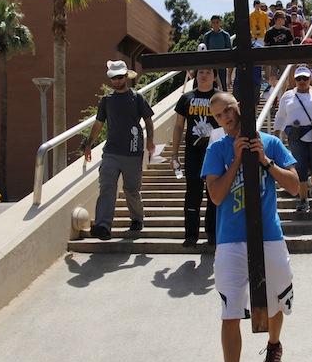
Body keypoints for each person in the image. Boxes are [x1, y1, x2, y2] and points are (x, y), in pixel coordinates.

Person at [202, 92, 299, 362]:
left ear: (239, 107)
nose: (224, 118)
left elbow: (295, 186)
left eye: (228, 110)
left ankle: (273, 345)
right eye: (217, 116)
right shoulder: (217, 149)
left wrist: (264, 161)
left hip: (268, 235)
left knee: (276, 300)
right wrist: (236, 160)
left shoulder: (269, 143)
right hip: (230, 240)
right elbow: (216, 196)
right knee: (230, 311)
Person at [85, 60, 155, 240]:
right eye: (113, 78)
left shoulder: (137, 97)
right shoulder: (106, 100)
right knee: (107, 187)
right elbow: (98, 124)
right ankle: (103, 225)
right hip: (111, 152)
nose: (116, 81)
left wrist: (150, 141)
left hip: (133, 151)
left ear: (126, 77)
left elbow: (148, 120)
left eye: (119, 77)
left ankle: (137, 218)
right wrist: (89, 144)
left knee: (131, 190)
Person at [274, 65, 312, 210]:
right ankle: (303, 199)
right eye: (299, 78)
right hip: (296, 135)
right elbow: (281, 115)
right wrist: (277, 133)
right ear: (294, 80)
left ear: (310, 79)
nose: (302, 81)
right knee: (300, 166)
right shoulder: (287, 95)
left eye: (305, 78)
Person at [172, 68, 220, 247]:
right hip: (193, 153)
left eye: (209, 72)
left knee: (214, 194)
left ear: (215, 76)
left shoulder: (220, 97)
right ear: (196, 75)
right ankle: (191, 234)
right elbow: (178, 126)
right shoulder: (186, 98)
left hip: (215, 153)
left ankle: (212, 233)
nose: (204, 75)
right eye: (201, 72)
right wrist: (174, 154)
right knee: (193, 193)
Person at [263, 10, 294, 88]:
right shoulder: (269, 32)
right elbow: (266, 45)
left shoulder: (287, 31)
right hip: (273, 58)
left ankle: (282, 95)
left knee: (284, 78)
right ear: (279, 19)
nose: (285, 20)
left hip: (284, 57)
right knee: (272, 78)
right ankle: (274, 92)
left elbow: (290, 44)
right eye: (283, 18)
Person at [203, 15, 233, 91]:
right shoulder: (208, 36)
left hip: (222, 64)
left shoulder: (225, 35)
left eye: (217, 22)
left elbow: (229, 50)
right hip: (211, 64)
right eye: (213, 23)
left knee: (223, 84)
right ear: (211, 24)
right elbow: (205, 49)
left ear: (220, 23)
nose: (215, 24)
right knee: (212, 85)